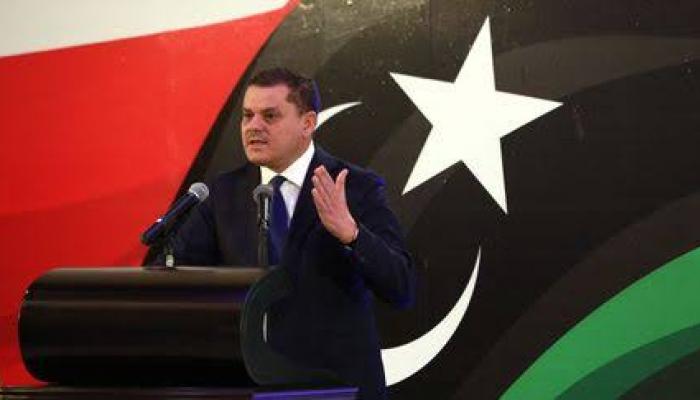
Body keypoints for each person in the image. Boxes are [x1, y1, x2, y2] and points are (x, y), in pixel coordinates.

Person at [168, 67, 415, 400]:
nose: (253, 126)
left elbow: (401, 286)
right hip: (248, 385)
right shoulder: (221, 195)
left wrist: (352, 234)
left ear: (308, 123)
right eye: (247, 116)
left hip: (335, 387)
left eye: (270, 116)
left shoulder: (354, 187)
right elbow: (182, 280)